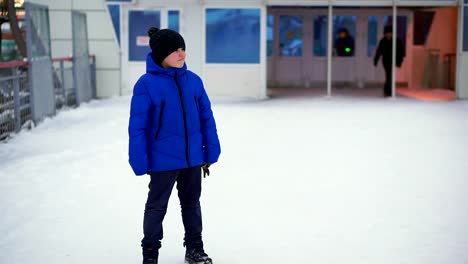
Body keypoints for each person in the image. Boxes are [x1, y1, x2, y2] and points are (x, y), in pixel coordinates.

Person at [128, 27, 221, 264]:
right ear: (161, 55)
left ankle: (195, 249)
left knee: (192, 205)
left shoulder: (194, 82)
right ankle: (150, 255)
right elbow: (137, 127)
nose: (181, 54)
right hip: (162, 160)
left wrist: (210, 151)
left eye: (183, 49)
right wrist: (140, 160)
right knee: (156, 207)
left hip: (191, 158)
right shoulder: (146, 84)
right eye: (175, 51)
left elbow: (206, 119)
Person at [374, 25, 406, 97]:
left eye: (390, 33)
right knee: (389, 75)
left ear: (392, 33)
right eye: (387, 33)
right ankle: (388, 90)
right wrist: (376, 60)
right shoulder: (383, 41)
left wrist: (399, 61)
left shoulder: (396, 40)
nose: (388, 34)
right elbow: (379, 51)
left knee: (389, 75)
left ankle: (388, 90)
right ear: (385, 33)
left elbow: (401, 51)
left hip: (393, 60)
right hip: (386, 61)